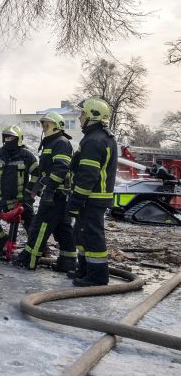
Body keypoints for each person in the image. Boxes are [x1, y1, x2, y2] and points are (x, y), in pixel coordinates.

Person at [13, 112, 77, 271]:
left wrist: (48, 191)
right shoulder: (52, 143)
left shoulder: (60, 143)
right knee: (62, 229)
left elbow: (61, 168)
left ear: (57, 126)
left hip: (55, 195)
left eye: (46, 124)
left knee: (40, 226)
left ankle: (29, 259)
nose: (43, 127)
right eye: (43, 124)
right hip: (58, 195)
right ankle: (67, 262)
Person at [66, 97, 118, 286]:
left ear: (92, 116)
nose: (79, 117)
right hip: (93, 197)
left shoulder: (94, 141)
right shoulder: (99, 137)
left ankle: (97, 276)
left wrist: (76, 201)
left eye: (82, 114)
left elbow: (87, 176)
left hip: (91, 198)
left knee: (92, 235)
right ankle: (85, 269)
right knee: (81, 234)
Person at [0, 125, 39, 257]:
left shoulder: (27, 156)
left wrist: (29, 195)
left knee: (32, 226)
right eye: (6, 137)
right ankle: (2, 245)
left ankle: (39, 251)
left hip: (21, 200)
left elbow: (37, 175)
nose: (8, 140)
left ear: (19, 139)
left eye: (11, 138)